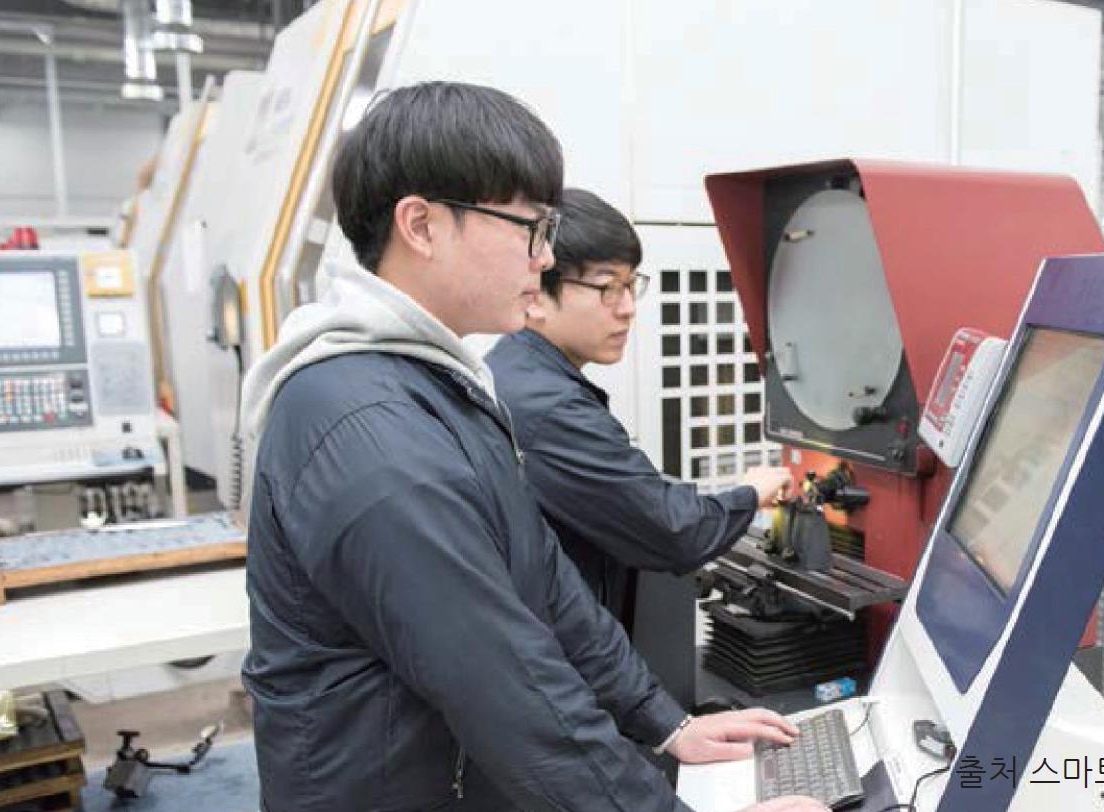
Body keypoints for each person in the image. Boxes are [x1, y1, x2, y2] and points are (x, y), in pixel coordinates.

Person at [238, 81, 826, 812]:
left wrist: (665, 723)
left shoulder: (441, 386)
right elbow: (504, 686)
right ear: (420, 225)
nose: (542, 258)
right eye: (529, 229)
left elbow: (548, 589)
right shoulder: (369, 429)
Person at [488, 189, 791, 634]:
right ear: (536, 294)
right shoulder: (550, 408)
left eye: (631, 285)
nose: (628, 308)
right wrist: (749, 492)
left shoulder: (513, 369)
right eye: (607, 287)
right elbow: (672, 531)